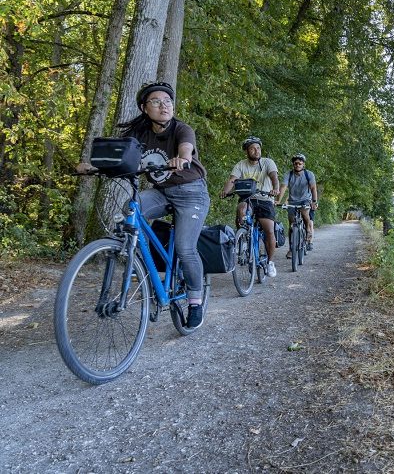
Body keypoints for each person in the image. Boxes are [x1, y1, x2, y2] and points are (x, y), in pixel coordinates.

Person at [80, 81, 210, 328]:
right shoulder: (140, 135)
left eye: (168, 101)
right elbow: (121, 157)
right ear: (144, 108)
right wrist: (94, 168)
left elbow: (186, 148)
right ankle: (138, 263)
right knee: (131, 209)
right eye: (157, 102)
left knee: (185, 248)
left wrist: (182, 159)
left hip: (192, 193)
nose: (164, 106)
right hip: (161, 192)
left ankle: (195, 299)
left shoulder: (182, 129)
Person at [220, 136, 280, 277]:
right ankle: (244, 239)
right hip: (247, 199)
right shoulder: (241, 165)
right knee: (241, 210)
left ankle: (270, 263)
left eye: (258, 148)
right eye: (252, 148)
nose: (256, 151)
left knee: (269, 230)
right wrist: (225, 191)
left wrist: (275, 189)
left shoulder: (267, 162)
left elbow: (274, 177)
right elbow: (232, 180)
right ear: (247, 151)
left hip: (265, 199)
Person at [277, 153, 317, 259]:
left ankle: (308, 230)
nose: (297, 165)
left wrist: (314, 201)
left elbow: (313, 188)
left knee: (304, 212)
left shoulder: (309, 174)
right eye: (295, 163)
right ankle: (291, 248)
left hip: (305, 199)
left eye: (300, 163)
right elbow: (283, 187)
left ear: (303, 164)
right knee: (291, 225)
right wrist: (278, 200)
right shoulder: (288, 175)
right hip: (292, 201)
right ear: (293, 164)